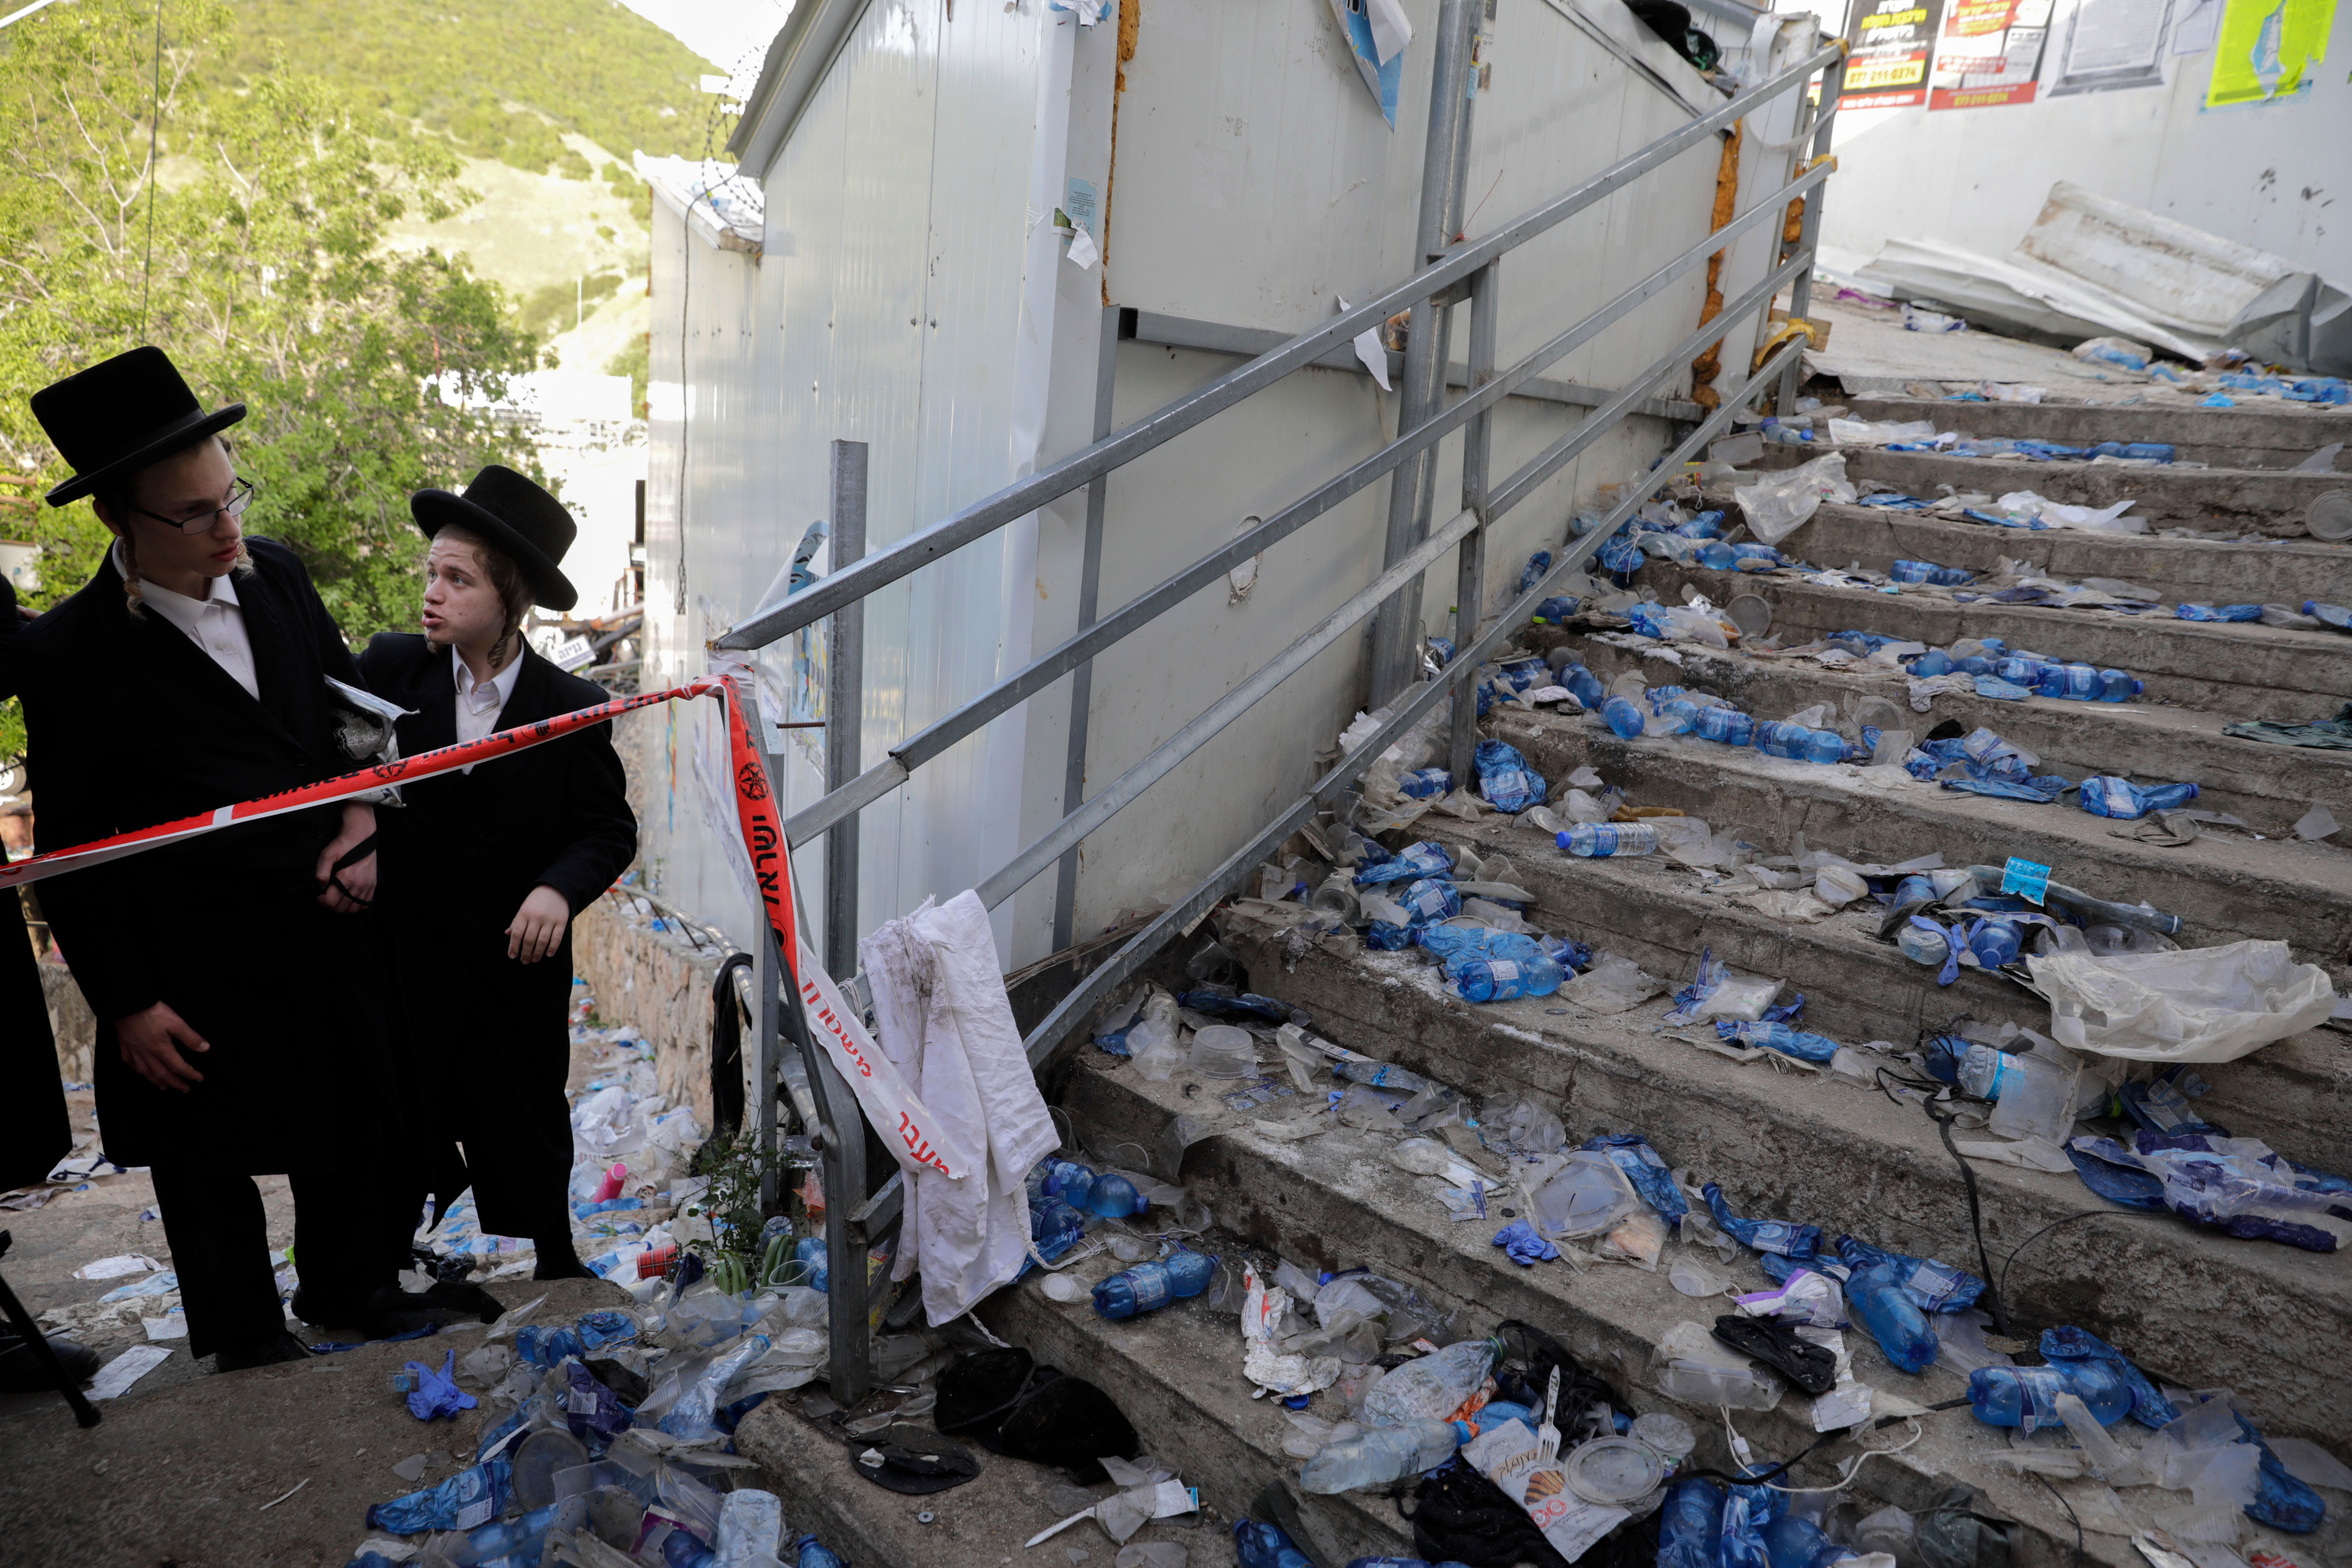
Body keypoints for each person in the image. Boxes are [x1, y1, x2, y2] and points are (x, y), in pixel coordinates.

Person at [13, 347, 419, 1370]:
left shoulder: (275, 574)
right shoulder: (73, 656)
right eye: (194, 514)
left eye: (229, 494)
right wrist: (128, 1002)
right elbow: (70, 850)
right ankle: (244, 1340)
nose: (226, 527)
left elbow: (354, 710)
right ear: (119, 523)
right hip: (188, 961)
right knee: (206, 1162)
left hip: (325, 915)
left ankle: (354, 1285)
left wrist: (363, 821)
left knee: (356, 1116)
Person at [358, 465, 636, 1280]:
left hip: (516, 958)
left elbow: (607, 828)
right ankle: (385, 1259)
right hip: (407, 950)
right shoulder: (389, 672)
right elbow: (336, 772)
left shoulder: (569, 703)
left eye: (458, 578)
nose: (433, 593)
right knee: (401, 1106)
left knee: (526, 1106)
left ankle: (554, 1254)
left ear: (509, 595)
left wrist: (558, 888)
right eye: (432, 573)